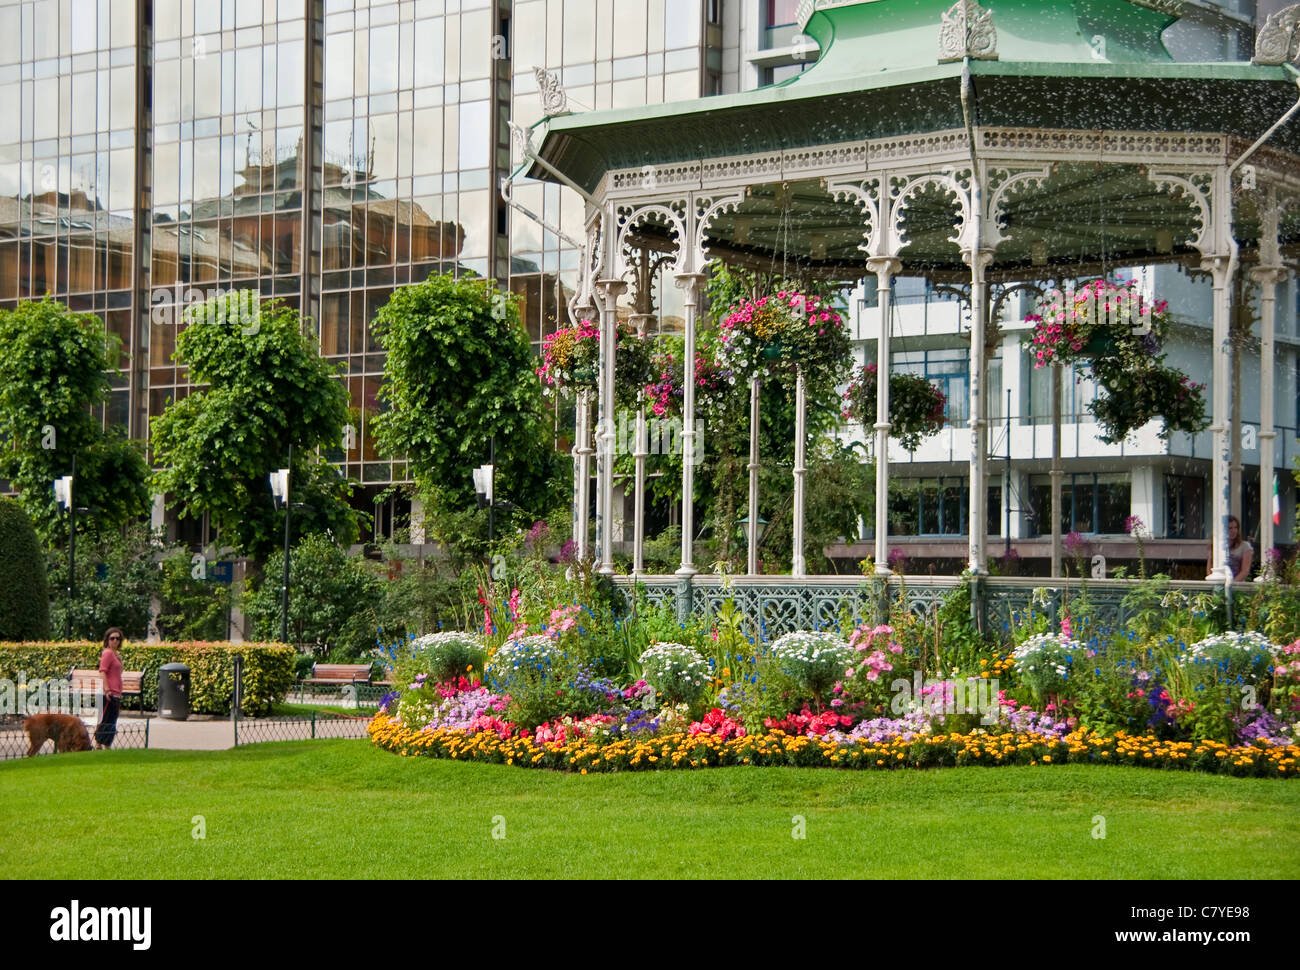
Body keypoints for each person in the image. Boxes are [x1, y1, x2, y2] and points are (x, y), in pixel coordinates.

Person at [94, 628, 124, 749]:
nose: (115, 640)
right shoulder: (107, 653)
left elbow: (117, 673)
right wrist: (107, 690)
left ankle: (105, 744)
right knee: (105, 719)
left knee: (111, 719)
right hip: (108, 692)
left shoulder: (116, 655)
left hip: (116, 692)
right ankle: (100, 743)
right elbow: (102, 672)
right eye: (112, 638)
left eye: (118, 638)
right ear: (107, 640)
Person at [1206, 515, 1253, 582]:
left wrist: (1231, 585)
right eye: (1230, 528)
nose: (1233, 531)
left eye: (1235, 528)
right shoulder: (1216, 546)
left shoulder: (1245, 546)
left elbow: (1245, 571)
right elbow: (1210, 568)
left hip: (1237, 585)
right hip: (1219, 583)